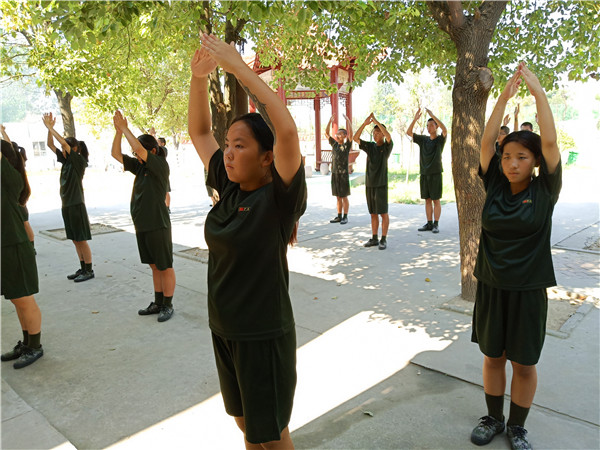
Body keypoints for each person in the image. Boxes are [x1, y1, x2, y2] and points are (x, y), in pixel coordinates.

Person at [188, 34, 307, 449]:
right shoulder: (229, 185)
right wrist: (198, 79)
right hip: (224, 328)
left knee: (271, 436)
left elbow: (287, 130)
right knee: (246, 427)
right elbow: (200, 132)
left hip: (262, 336)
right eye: (228, 146)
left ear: (267, 156)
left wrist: (240, 69)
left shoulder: (278, 198)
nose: (228, 153)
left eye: (240, 146)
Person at [470, 62, 561, 450]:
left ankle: (517, 426)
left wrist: (539, 94)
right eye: (508, 156)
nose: (512, 163)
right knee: (494, 358)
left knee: (523, 363)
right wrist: (502, 98)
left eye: (522, 157)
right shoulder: (492, 182)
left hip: (527, 290)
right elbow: (486, 141)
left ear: (536, 161)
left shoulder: (545, 190)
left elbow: (552, 144)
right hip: (492, 287)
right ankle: (492, 418)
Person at [111, 111, 175, 323]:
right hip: (143, 224)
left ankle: (168, 304)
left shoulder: (159, 165)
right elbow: (115, 154)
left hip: (158, 224)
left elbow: (139, 148)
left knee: (164, 265)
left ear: (153, 151)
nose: (136, 155)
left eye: (140, 152)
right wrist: (118, 132)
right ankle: (158, 302)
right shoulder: (139, 168)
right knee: (154, 265)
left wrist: (125, 128)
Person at [1, 140, 44, 369]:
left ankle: (35, 346)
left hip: (16, 246)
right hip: (6, 247)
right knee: (17, 300)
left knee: (25, 300)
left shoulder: (11, 180)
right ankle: (27, 343)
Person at [42, 113, 94, 282]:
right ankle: (82, 267)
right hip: (67, 205)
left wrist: (52, 127)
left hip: (76, 203)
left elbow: (63, 142)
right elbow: (50, 144)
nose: (62, 150)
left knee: (81, 239)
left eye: (65, 149)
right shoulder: (65, 162)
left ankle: (89, 270)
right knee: (74, 239)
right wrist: (48, 130)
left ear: (74, 150)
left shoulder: (78, 162)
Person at [353, 113, 393, 249]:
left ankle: (384, 239)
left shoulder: (386, 147)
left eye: (378, 133)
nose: (375, 135)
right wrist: (364, 124)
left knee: (383, 212)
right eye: (374, 133)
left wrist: (376, 120)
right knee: (373, 213)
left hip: (381, 184)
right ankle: (374, 238)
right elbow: (355, 138)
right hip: (370, 184)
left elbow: (389, 137)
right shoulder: (370, 146)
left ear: (382, 134)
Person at [407, 108, 447, 234]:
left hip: (435, 174)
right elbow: (409, 132)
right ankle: (429, 223)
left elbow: (445, 130)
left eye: (432, 125)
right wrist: (414, 119)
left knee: (436, 200)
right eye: (427, 125)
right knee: (427, 200)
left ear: (436, 127)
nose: (429, 127)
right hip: (424, 173)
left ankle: (436, 224)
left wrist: (433, 115)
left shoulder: (440, 140)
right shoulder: (423, 140)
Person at [0, 125, 35, 250]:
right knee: (24, 222)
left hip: (16, 199)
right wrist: (3, 132)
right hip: (17, 198)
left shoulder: (10, 166)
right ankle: (30, 245)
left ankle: (31, 246)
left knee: (24, 222)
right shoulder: (14, 161)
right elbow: (7, 145)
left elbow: (6, 147)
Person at [325, 114, 353, 224]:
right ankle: (339, 216)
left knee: (344, 196)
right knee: (337, 197)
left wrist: (348, 121)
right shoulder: (334, 144)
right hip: (335, 174)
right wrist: (329, 121)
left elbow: (352, 134)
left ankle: (345, 216)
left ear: (345, 136)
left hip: (344, 174)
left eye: (340, 134)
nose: (337, 135)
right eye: (337, 133)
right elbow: (326, 133)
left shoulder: (347, 145)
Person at [157, 137, 171, 212]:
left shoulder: (163, 149)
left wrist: (153, 135)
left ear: (163, 143)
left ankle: (167, 207)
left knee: (166, 190)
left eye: (158, 142)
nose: (157, 143)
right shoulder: (157, 149)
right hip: (159, 170)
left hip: (163, 171)